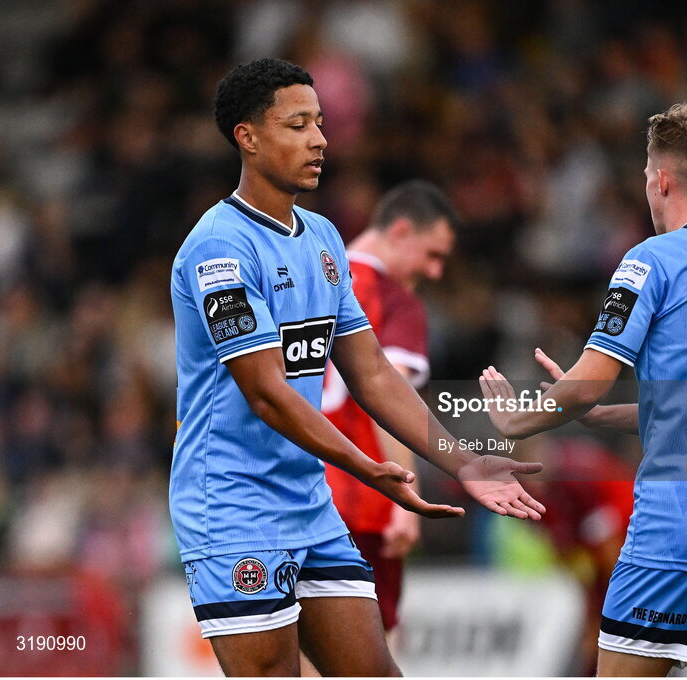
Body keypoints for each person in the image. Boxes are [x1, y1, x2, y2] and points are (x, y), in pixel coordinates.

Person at [170, 58, 544, 677]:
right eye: (298, 125)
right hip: (233, 504)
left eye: (320, 123)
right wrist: (366, 466)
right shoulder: (220, 249)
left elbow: (371, 374)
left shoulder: (321, 239)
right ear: (248, 136)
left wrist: (464, 461)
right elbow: (265, 393)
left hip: (307, 501)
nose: (320, 139)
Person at [480, 103, 687, 676]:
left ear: (660, 180)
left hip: (684, 516)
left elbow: (583, 383)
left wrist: (519, 418)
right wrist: (603, 414)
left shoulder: (650, 261)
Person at [319, 180, 456, 648]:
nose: (435, 272)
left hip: (293, 497)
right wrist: (406, 495)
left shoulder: (305, 278)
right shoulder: (393, 301)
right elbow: (388, 400)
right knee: (366, 655)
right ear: (399, 231)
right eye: (432, 255)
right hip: (363, 503)